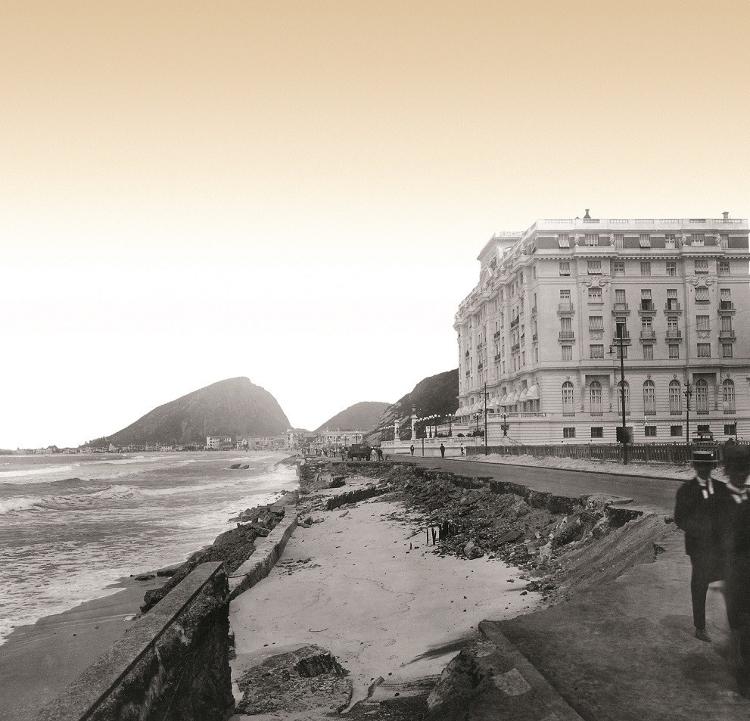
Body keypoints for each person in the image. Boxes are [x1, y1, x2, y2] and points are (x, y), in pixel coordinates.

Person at [674, 448, 737, 642]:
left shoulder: (721, 488)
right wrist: (699, 530)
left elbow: (730, 515)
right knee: (700, 585)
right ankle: (700, 627)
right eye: (700, 465)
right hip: (699, 547)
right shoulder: (686, 490)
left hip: (720, 547)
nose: (704, 469)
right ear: (695, 466)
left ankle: (735, 628)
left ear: (712, 467)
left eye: (708, 466)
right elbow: (680, 518)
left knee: (731, 585)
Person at [722, 444, 750, 696]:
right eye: (737, 469)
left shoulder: (748, 499)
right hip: (735, 569)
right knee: (740, 620)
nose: (742, 474)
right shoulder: (721, 501)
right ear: (727, 470)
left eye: (746, 469)